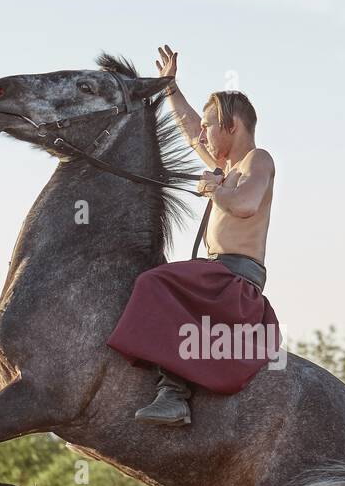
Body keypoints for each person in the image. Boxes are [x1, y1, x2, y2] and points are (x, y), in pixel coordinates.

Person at [107, 44, 280, 426]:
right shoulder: (228, 167)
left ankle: (173, 394)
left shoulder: (258, 159)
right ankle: (172, 390)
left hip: (234, 278)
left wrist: (213, 189)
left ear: (232, 127)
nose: (203, 133)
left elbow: (246, 205)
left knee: (155, 282)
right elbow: (191, 134)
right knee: (161, 279)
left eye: (211, 125)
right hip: (218, 274)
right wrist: (169, 87)